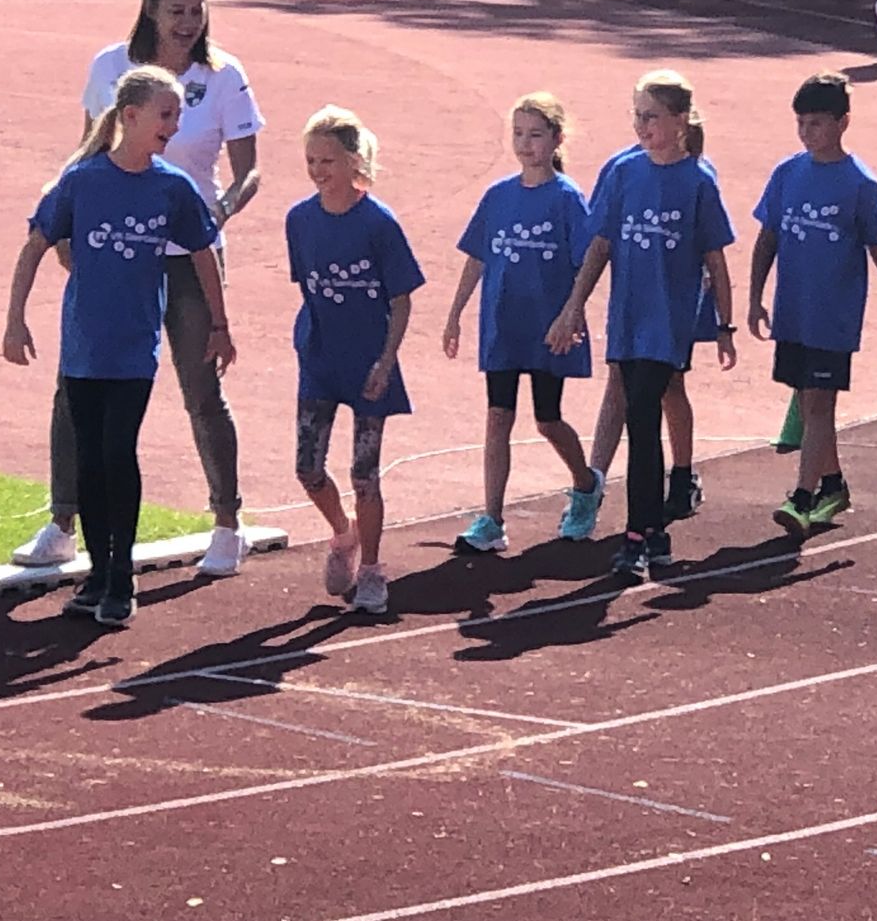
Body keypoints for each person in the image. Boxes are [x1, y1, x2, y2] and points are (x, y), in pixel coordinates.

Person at [14, 0, 262, 577]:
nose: (188, 21)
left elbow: (249, 170)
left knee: (201, 387)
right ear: (151, 9)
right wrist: (65, 219)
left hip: (188, 254)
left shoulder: (223, 75)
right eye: (176, 10)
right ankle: (62, 522)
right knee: (78, 382)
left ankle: (227, 523)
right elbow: (86, 149)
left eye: (197, 10)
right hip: (115, 250)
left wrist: (219, 213)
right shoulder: (110, 66)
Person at [3, 67, 233, 626]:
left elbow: (203, 253)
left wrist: (220, 325)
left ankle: (121, 576)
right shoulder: (82, 181)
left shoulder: (172, 187)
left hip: (135, 348)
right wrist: (15, 320)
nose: (173, 126)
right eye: (165, 115)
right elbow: (35, 245)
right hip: (84, 346)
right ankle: (98, 573)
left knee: (116, 451)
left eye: (177, 116)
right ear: (130, 116)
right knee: (88, 457)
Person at [551, 71, 736, 579]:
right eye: (637, 115)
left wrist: (726, 325)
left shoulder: (698, 181)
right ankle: (654, 534)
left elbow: (716, 259)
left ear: (680, 121)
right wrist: (573, 306)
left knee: (642, 418)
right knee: (641, 418)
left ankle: (638, 535)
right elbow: (600, 245)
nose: (642, 126)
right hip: (627, 319)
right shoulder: (623, 173)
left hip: (667, 323)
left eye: (651, 116)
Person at [749, 73, 877, 538]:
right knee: (808, 401)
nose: (807, 132)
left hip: (833, 315)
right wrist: (755, 298)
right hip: (793, 311)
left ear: (843, 123)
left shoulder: (859, 184)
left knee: (820, 402)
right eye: (801, 123)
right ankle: (832, 484)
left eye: (817, 123)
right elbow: (767, 238)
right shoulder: (787, 174)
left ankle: (802, 497)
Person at [441, 94, 603, 554]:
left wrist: (571, 312)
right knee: (498, 416)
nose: (525, 144)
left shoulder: (567, 199)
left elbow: (586, 262)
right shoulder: (498, 196)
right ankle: (492, 518)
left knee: (548, 419)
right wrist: (455, 314)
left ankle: (585, 484)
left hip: (547, 327)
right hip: (504, 324)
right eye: (518, 134)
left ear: (556, 139)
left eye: (535, 134)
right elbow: (477, 257)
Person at [286, 106, 424, 615]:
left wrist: (386, 361)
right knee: (308, 467)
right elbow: (308, 287)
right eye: (311, 160)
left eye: (327, 160)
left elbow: (401, 299)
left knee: (364, 473)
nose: (318, 170)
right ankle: (343, 534)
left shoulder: (379, 224)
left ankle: (371, 569)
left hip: (368, 364)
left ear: (352, 161)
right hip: (319, 360)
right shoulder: (299, 220)